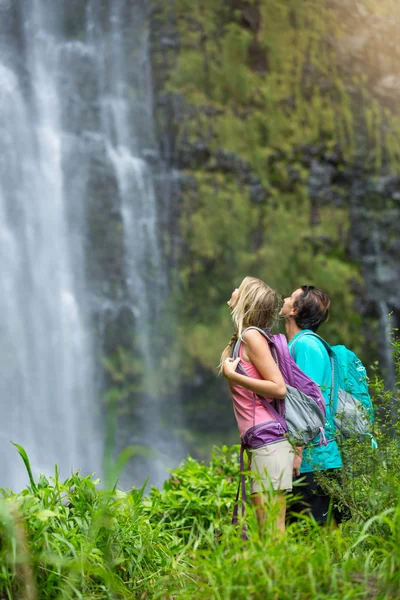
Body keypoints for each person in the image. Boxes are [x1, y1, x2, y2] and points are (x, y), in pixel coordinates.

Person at [221, 276, 294, 532]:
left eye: (239, 287)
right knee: (269, 533)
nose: (234, 289)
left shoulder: (252, 336)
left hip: (269, 444)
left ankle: (287, 573)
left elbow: (279, 388)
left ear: (246, 300)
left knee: (272, 534)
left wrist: (234, 376)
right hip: (262, 444)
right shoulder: (244, 338)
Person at [280, 284, 345, 526]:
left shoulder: (305, 345)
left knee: (318, 535)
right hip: (313, 456)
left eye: (290, 297)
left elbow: (307, 402)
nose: (284, 298)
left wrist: (297, 452)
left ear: (295, 311)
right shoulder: (300, 344)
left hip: (312, 458)